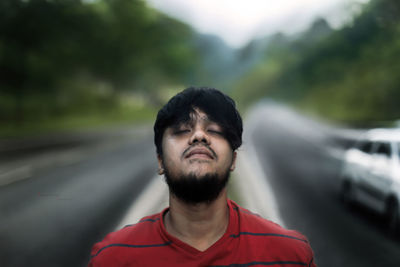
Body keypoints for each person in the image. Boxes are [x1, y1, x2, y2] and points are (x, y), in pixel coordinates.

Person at [88, 87, 317, 267]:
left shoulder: (290, 256)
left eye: (215, 131)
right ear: (160, 162)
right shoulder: (111, 259)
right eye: (182, 130)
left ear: (233, 161)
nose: (199, 136)